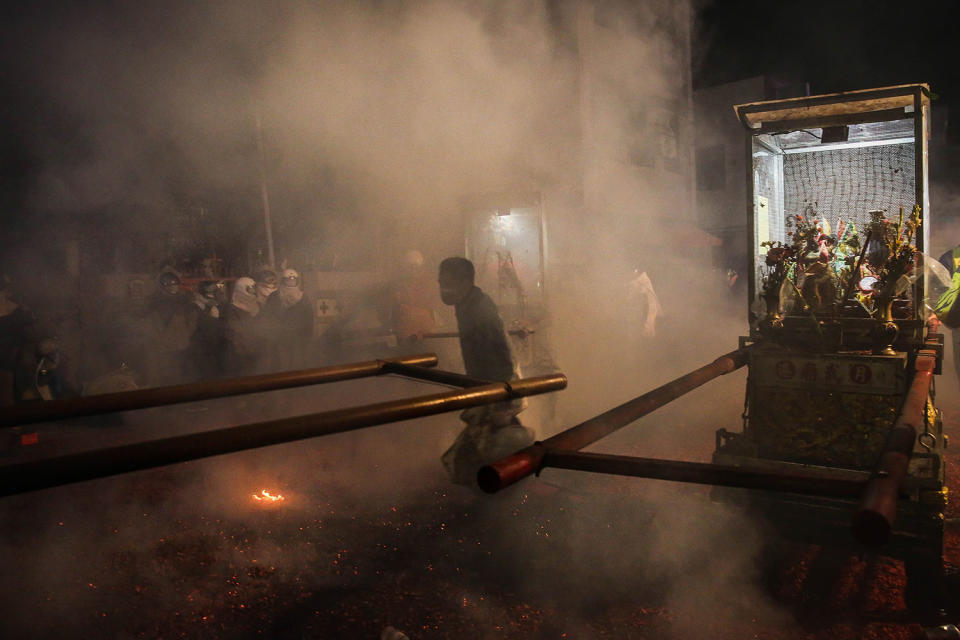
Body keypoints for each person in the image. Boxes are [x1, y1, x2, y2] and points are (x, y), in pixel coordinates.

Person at [437, 256, 534, 486]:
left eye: (446, 284)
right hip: (486, 386)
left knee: (484, 450)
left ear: (464, 282)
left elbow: (501, 354)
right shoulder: (466, 304)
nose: (442, 289)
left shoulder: (479, 308)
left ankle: (497, 495)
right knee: (485, 446)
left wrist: (501, 396)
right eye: (440, 283)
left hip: (496, 386)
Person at [143, 269, 198, 386]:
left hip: (182, 346)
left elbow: (192, 320)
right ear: (163, 287)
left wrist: (185, 335)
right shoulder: (154, 303)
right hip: (164, 350)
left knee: (183, 378)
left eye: (176, 284)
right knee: (168, 379)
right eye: (170, 285)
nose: (174, 287)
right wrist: (163, 339)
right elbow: (151, 326)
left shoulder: (183, 301)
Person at [263, 268, 314, 370]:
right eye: (289, 279)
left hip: (298, 339)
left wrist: (307, 336)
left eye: (293, 279)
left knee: (298, 365)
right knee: (281, 366)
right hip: (280, 339)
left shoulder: (303, 297)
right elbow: (268, 316)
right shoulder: (274, 297)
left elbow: (309, 318)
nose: (291, 282)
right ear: (283, 281)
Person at [0, 272, 36, 405]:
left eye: (6, 289)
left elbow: (28, 335)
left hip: (13, 354)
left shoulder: (17, 311)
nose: (7, 292)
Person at [223, 276, 263, 376]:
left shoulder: (258, 307)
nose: (253, 293)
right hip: (239, 359)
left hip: (256, 356)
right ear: (241, 290)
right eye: (250, 290)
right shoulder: (231, 310)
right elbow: (234, 336)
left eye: (254, 289)